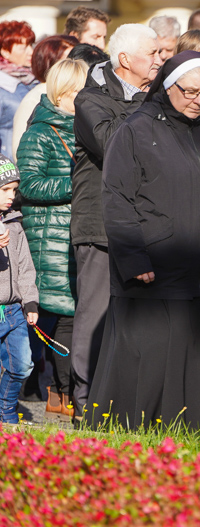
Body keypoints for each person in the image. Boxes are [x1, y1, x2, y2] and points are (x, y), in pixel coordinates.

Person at [88, 51, 200, 431]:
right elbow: (116, 198)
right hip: (154, 270)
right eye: (190, 91)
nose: (198, 100)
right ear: (169, 86)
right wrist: (134, 258)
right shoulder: (136, 130)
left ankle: (194, 437)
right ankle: (135, 439)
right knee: (151, 367)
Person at [70, 23, 162, 415]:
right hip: (101, 226)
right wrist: (150, 103)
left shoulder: (155, 97)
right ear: (125, 60)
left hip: (146, 226)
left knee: (137, 318)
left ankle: (125, 402)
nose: (160, 60)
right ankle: (86, 402)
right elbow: (115, 144)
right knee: (95, 315)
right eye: (153, 54)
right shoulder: (90, 100)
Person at [17, 58, 88, 422]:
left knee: (68, 317)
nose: (84, 99)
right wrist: (77, 184)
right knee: (54, 317)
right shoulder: (40, 132)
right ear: (61, 93)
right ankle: (55, 391)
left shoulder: (84, 129)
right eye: (78, 92)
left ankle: (65, 393)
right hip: (48, 238)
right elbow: (27, 184)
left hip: (72, 236)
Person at [0, 154, 40, 428]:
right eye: (4, 190)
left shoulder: (14, 223)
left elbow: (25, 267)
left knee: (23, 365)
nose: (11, 196)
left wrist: (31, 303)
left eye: (14, 190)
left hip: (14, 310)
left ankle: (6, 411)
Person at [11, 34, 79, 158]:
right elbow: (21, 152)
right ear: (50, 62)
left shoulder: (76, 92)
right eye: (68, 59)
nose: (75, 64)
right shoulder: (34, 98)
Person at [0, 20, 37, 157]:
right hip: (8, 170)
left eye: (31, 45)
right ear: (5, 52)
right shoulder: (3, 88)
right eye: (23, 48)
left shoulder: (34, 79)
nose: (31, 52)